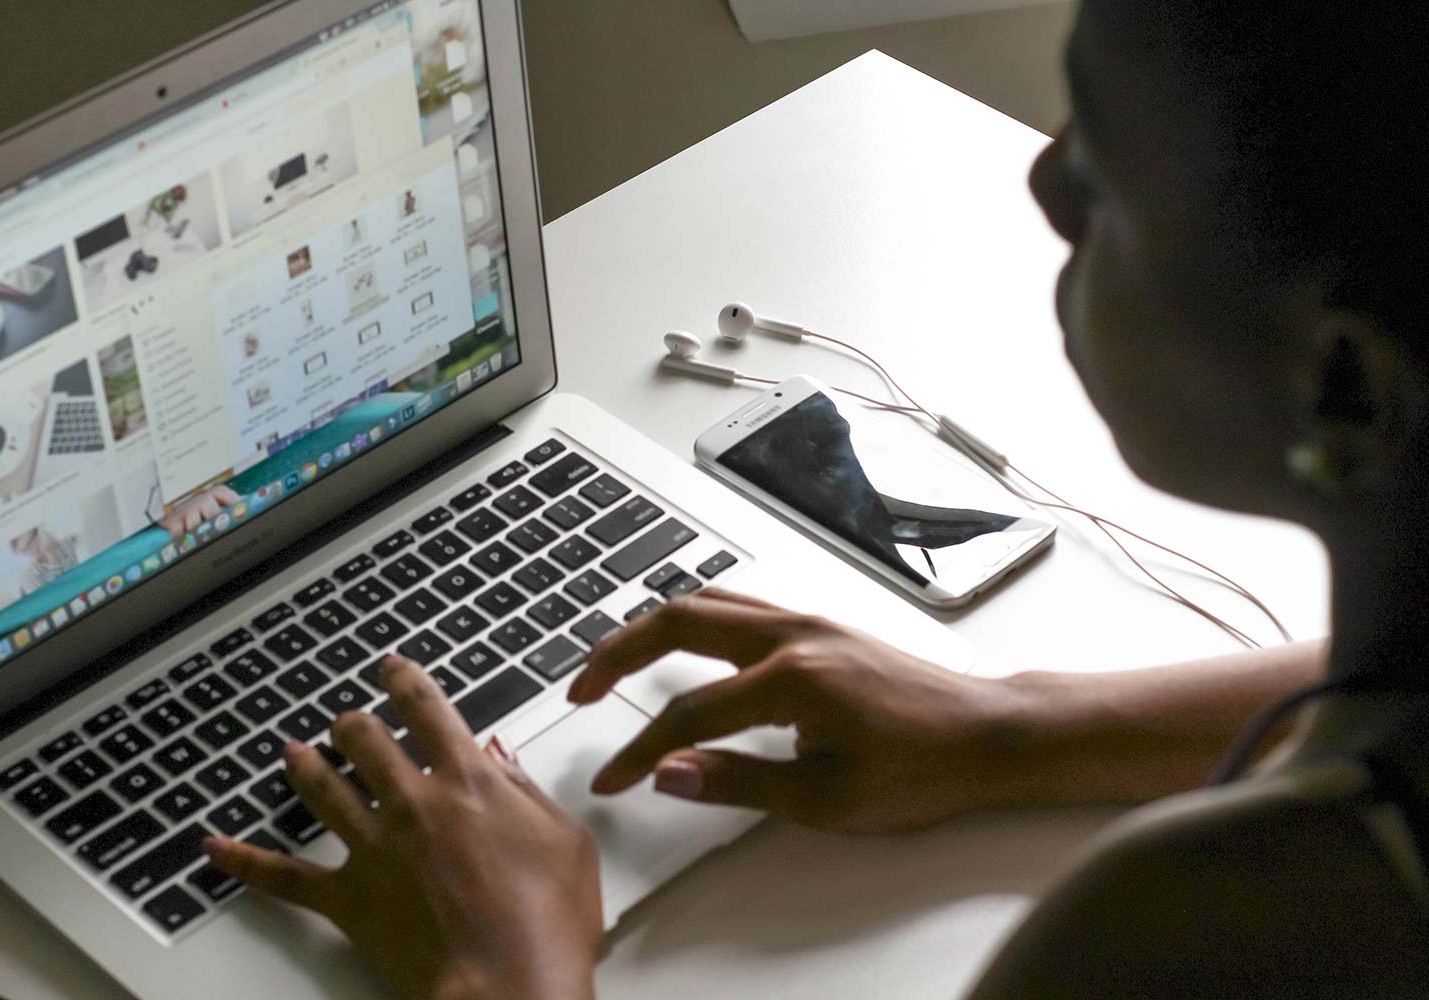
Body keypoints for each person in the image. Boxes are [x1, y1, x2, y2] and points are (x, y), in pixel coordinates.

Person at [202, 1, 1429, 996]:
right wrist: (1014, 727)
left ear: (1344, 386)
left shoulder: (1222, 920)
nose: (1042, 179)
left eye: (1107, 165)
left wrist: (501, 974)